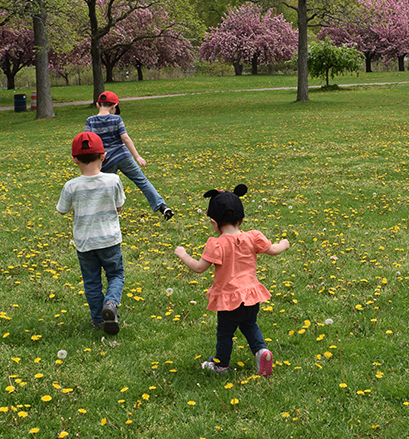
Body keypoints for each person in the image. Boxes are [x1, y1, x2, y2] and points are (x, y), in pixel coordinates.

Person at [174, 184, 289, 376]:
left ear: (214, 222)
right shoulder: (253, 237)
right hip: (251, 297)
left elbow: (199, 268)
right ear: (241, 220)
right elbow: (273, 250)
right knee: (250, 325)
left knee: (225, 333)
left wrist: (183, 255)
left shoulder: (217, 244)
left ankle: (221, 365)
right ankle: (261, 351)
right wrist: (284, 244)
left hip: (229, 300)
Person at [56, 131, 126, 335]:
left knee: (92, 282)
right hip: (110, 240)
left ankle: (97, 319)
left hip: (85, 243)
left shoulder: (71, 186)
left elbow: (62, 210)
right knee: (116, 275)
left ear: (74, 159)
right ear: (103, 156)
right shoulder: (113, 180)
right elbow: (119, 206)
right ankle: (111, 304)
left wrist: (76, 205)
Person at [84, 90, 173, 219]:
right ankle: (162, 206)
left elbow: (88, 141)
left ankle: (102, 212)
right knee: (142, 181)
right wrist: (137, 156)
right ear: (114, 106)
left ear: (98, 105)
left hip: (106, 160)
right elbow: (125, 138)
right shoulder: (117, 119)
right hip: (123, 156)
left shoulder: (90, 121)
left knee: (104, 186)